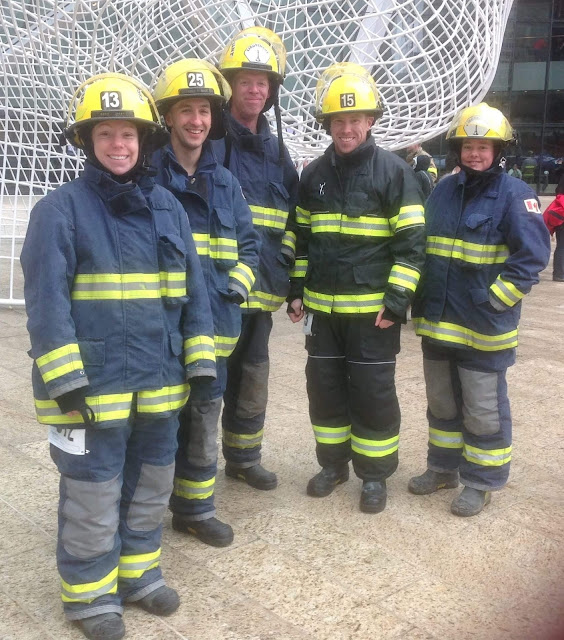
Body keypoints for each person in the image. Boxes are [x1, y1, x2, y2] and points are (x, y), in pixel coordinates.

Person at [21, 73, 217, 640]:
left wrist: (201, 363)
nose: (118, 144)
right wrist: (65, 380)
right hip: (91, 390)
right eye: (105, 133)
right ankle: (90, 597)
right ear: (87, 141)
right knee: (93, 493)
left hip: (159, 382)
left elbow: (195, 294)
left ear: (144, 140)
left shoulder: (168, 208)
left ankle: (138, 575)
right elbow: (47, 303)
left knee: (151, 484)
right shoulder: (59, 210)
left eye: (127, 134)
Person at [287, 62, 425, 514]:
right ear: (327, 124)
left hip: (372, 317)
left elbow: (412, 246)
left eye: (355, 120)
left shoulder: (395, 173)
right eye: (338, 121)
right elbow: (301, 239)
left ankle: (374, 475)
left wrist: (397, 302)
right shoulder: (313, 175)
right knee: (324, 391)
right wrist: (296, 290)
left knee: (373, 395)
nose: (346, 129)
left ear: (370, 121)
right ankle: (333, 466)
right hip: (322, 317)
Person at [409, 102, 551, 517]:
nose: (474, 154)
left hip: (484, 327)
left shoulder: (516, 195)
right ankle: (442, 469)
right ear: (458, 150)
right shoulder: (442, 191)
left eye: (483, 147)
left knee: (483, 410)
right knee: (442, 403)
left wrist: (495, 301)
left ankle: (482, 482)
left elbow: (531, 258)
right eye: (468, 146)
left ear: (497, 151)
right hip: (439, 323)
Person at [151, 59, 260, 546]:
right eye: (186, 111)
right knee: (156, 424)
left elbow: (250, 247)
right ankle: (143, 515)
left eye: (204, 111)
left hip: (214, 327)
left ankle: (195, 510)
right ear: (168, 117)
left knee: (202, 421)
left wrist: (234, 290)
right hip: (163, 328)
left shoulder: (226, 183)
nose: (196, 120)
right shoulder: (148, 177)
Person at [213, 27, 299, 490]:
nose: (254, 90)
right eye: (245, 81)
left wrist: (290, 276)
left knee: (252, 381)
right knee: (205, 386)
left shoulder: (276, 151)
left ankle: (244, 459)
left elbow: (296, 219)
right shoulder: (209, 141)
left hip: (260, 295)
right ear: (229, 86)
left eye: (262, 83)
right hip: (217, 294)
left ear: (271, 92)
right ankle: (190, 470)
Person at [543, 173, 564, 281]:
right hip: (562, 214)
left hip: (560, 215)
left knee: (561, 245)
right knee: (562, 246)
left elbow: (558, 191)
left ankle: (559, 273)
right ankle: (559, 274)